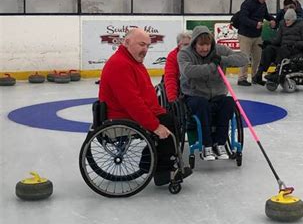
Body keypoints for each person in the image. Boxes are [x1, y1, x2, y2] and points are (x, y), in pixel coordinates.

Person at [99, 28, 192, 186]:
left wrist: (158, 112)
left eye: (148, 46)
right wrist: (155, 125)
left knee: (171, 120)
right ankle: (163, 171)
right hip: (122, 117)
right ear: (127, 43)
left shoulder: (132, 61)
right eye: (141, 44)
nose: (145, 50)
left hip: (128, 113)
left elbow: (143, 95)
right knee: (167, 125)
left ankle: (149, 162)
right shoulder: (120, 65)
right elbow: (132, 102)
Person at [178, 26, 247, 160]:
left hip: (217, 95)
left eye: (207, 45)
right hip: (194, 95)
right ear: (194, 44)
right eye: (201, 45)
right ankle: (207, 144)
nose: (204, 49)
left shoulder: (218, 50)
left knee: (228, 103)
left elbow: (243, 58)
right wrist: (212, 66)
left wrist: (222, 60)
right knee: (202, 104)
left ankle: (219, 143)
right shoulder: (185, 53)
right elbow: (189, 71)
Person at [252, 8, 303, 84]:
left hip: (296, 49)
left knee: (283, 50)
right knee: (268, 50)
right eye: (285, 19)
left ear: (294, 19)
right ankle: (259, 74)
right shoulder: (282, 24)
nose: (286, 22)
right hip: (284, 47)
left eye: (288, 20)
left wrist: (296, 44)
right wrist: (269, 43)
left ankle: (277, 73)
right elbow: (278, 40)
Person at [237, 0, 276, 86]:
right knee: (244, 58)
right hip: (245, 35)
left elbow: (266, 15)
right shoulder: (247, 3)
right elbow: (243, 18)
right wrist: (255, 24)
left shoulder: (263, 4)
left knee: (257, 58)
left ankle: (256, 77)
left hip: (257, 35)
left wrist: (272, 19)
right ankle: (242, 78)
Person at [164, 31, 192, 103]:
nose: (189, 48)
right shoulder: (173, 56)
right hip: (179, 87)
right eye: (186, 45)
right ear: (179, 46)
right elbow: (170, 77)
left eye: (191, 45)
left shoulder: (196, 55)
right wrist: (172, 99)